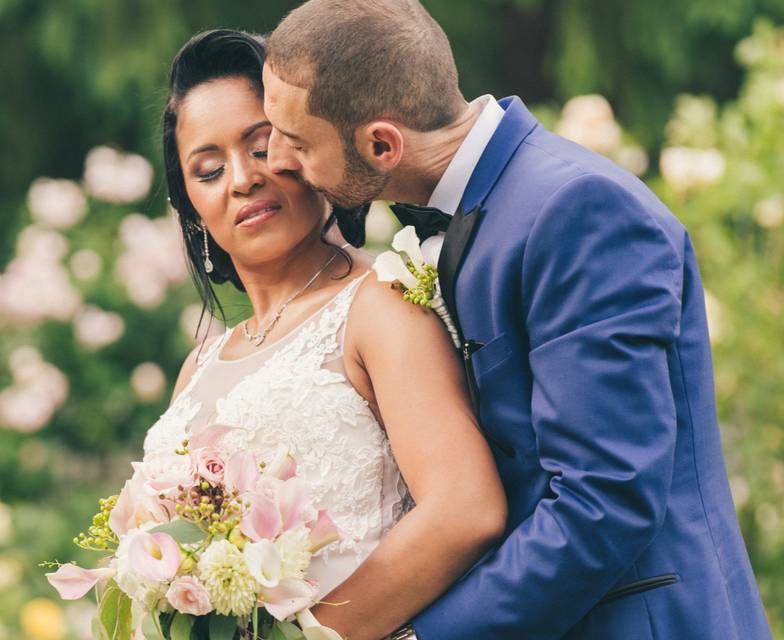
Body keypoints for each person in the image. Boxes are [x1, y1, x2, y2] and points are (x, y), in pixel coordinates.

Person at [262, 1, 771, 638]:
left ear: (381, 145)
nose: (278, 161)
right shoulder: (485, 204)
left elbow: (604, 501)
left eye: (298, 141)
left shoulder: (577, 211)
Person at [146, 29, 506, 639]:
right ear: (192, 210)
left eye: (261, 148)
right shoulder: (201, 365)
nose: (242, 179)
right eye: (208, 170)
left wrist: (304, 635)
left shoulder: (379, 306)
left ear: (307, 147)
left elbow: (464, 509)